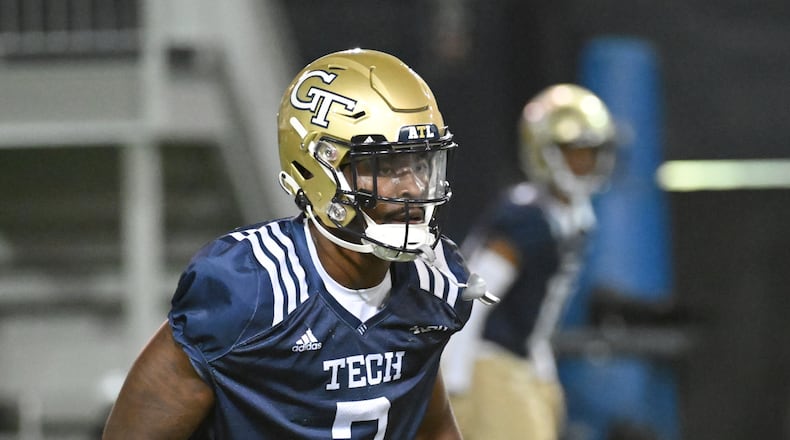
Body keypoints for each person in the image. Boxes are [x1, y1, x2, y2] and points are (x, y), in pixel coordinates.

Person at [103, 48, 493, 439]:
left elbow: (433, 427)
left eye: (421, 163)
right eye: (385, 166)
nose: (412, 187)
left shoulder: (436, 282)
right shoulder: (253, 287)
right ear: (317, 168)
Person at [441, 83, 617, 440]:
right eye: (573, 152)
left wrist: (541, 368)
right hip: (488, 360)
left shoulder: (573, 217)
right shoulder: (528, 218)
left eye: (591, 152)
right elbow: (471, 295)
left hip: (520, 359)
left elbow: (537, 315)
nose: (584, 163)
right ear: (544, 151)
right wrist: (454, 380)